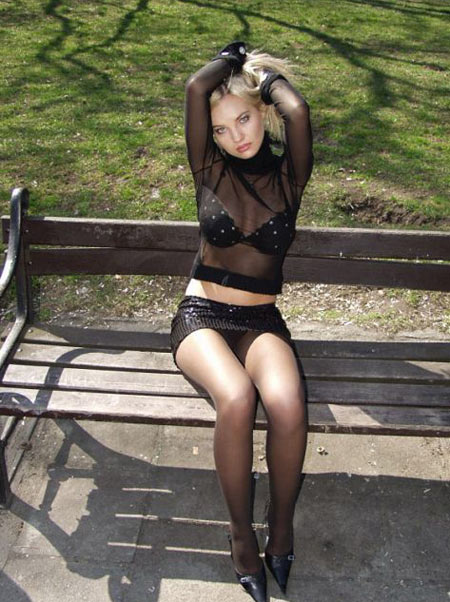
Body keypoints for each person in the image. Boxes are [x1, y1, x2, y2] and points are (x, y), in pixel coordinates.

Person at [170, 41, 313, 602]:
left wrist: (263, 77)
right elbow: (195, 88)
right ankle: (240, 536)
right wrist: (228, 60)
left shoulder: (289, 178)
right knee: (236, 398)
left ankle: (281, 527)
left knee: (287, 403)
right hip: (202, 315)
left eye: (244, 119)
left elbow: (298, 111)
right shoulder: (208, 168)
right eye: (222, 129)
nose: (237, 136)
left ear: (262, 112)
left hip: (260, 321)